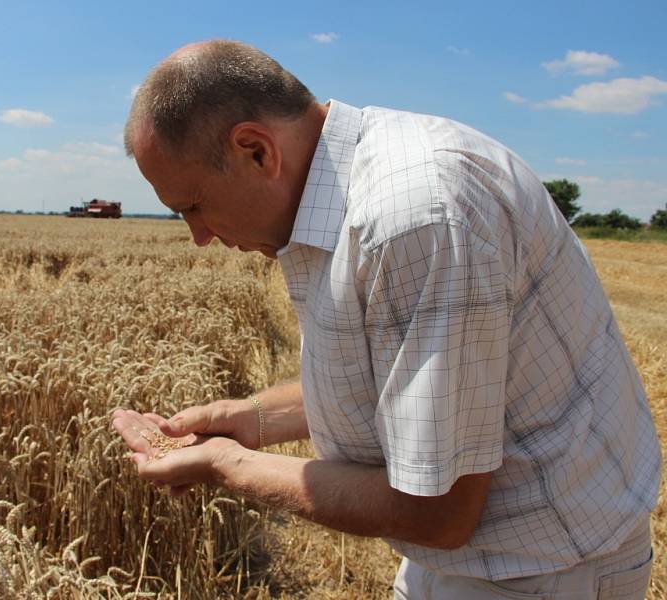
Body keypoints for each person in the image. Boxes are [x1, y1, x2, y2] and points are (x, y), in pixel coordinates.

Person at [112, 40, 661, 599]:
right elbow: (403, 377)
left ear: (256, 150)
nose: (199, 237)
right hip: (482, 559)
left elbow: (437, 513)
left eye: (194, 205)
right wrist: (248, 418)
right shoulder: (351, 191)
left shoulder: (413, 217)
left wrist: (228, 464)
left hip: (543, 567)